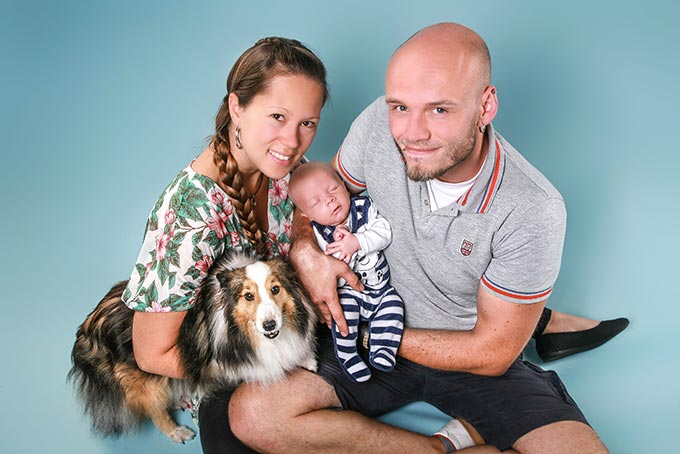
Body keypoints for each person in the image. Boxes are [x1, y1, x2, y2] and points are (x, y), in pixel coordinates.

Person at [227, 23, 617, 453]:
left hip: (465, 355)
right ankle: (434, 447)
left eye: (439, 110)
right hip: (373, 331)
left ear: (486, 106)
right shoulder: (379, 123)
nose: (411, 132)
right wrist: (307, 252)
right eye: (400, 106)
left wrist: (381, 331)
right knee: (253, 415)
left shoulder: (533, 207)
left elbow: (492, 352)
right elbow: (318, 196)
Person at [117, 36, 329, 452]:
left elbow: (306, 206)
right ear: (237, 107)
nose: (293, 141)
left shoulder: (284, 164)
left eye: (308, 123)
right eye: (277, 117)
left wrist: (304, 244)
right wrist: (264, 367)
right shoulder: (187, 212)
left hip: (291, 336)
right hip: (233, 367)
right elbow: (151, 353)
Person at [288, 161, 405, 383]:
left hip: (380, 289)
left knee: (394, 306)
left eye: (333, 189)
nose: (330, 199)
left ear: (343, 184)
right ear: (306, 215)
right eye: (317, 202)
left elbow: (384, 231)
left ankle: (382, 349)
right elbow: (320, 269)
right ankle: (348, 355)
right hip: (348, 294)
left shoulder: (364, 208)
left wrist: (357, 241)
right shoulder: (318, 234)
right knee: (343, 320)